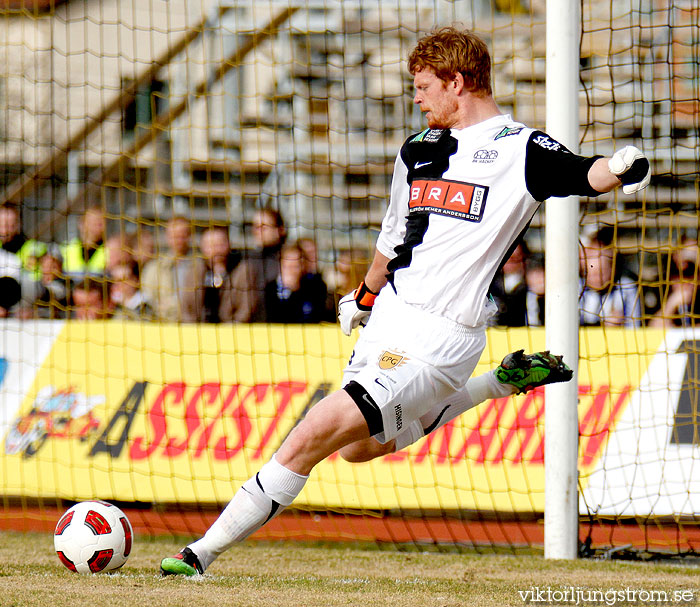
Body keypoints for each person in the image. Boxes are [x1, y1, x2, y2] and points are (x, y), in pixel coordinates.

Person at [159, 26, 651, 576]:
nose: (416, 98)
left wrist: (624, 166)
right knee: (354, 449)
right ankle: (496, 385)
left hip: (440, 338)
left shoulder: (522, 148)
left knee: (311, 434)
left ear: (457, 82)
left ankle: (198, 554)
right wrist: (364, 296)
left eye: (423, 86)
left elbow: (587, 172)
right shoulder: (418, 150)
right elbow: (393, 239)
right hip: (389, 319)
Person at [224, 208, 287, 322]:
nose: (258, 231)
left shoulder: (289, 259)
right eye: (256, 227)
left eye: (263, 227)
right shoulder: (246, 260)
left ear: (280, 230)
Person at [140, 216, 204, 322]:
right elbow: (149, 299)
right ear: (167, 237)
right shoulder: (154, 268)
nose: (178, 240)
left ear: (189, 236)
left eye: (182, 236)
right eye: (174, 236)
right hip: (162, 324)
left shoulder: (200, 265)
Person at [579, 228, 640, 327]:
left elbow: (634, 326)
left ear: (613, 269)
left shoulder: (627, 287)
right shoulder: (577, 288)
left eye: (602, 272)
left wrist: (620, 325)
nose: (597, 278)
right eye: (592, 273)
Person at [182, 226, 241, 323]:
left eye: (220, 245)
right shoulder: (193, 271)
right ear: (202, 247)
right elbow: (186, 307)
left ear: (229, 245)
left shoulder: (241, 270)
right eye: (211, 245)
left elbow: (245, 310)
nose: (216, 250)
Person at [264, 242, 329, 323]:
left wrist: (295, 291)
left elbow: (315, 316)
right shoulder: (271, 288)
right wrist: (289, 291)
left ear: (303, 266)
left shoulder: (315, 286)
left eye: (296, 266)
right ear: (281, 264)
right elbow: (275, 318)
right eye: (289, 266)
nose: (292, 271)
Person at [60, 205, 107, 280]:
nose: (100, 226)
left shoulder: (110, 250)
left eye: (101, 222)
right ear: (82, 224)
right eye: (95, 222)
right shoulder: (67, 248)